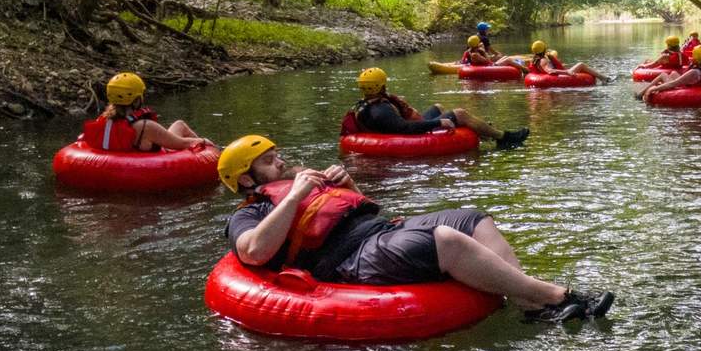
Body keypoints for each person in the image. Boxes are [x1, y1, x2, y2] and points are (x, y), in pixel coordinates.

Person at [217, 135, 614, 322]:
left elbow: (366, 210)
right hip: (348, 260)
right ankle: (555, 296)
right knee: (445, 240)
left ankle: (528, 304)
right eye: (270, 163)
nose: (281, 165)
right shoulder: (247, 215)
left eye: (277, 156)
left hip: (380, 232)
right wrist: (293, 196)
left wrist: (349, 187)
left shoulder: (298, 187)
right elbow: (254, 252)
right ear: (246, 180)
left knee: (472, 218)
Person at [341, 68, 529, 149]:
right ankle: (503, 137)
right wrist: (438, 122)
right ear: (381, 86)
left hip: (398, 127)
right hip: (408, 136)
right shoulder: (381, 111)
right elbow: (405, 129)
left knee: (438, 106)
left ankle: (483, 132)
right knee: (460, 114)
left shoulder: (367, 104)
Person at [82, 72, 212, 152]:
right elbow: (183, 144)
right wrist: (208, 144)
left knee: (179, 124)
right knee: (190, 136)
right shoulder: (145, 126)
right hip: (143, 167)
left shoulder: (103, 119)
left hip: (114, 165)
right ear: (136, 99)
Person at [636, 45, 701, 101]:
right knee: (673, 73)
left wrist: (653, 89)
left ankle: (641, 93)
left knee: (663, 75)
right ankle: (643, 92)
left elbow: (673, 84)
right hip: (697, 86)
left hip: (688, 90)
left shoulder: (694, 72)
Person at [527, 40, 611, 83]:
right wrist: (567, 72)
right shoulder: (543, 60)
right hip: (558, 76)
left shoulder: (535, 59)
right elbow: (550, 71)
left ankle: (603, 78)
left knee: (581, 69)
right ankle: (604, 78)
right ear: (544, 49)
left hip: (552, 76)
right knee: (581, 65)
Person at [461, 35, 527, 74]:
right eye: (478, 42)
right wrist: (484, 52)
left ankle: (520, 66)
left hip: (488, 65)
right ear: (476, 44)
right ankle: (524, 69)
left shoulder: (468, 51)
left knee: (505, 57)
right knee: (508, 60)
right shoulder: (475, 55)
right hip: (490, 66)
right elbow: (488, 61)